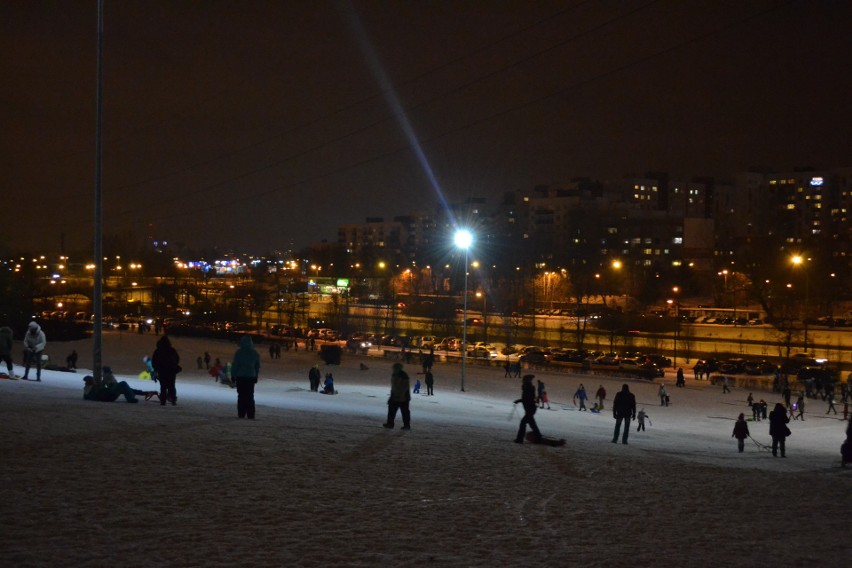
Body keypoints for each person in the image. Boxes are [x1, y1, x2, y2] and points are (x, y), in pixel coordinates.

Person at [231, 334, 260, 419]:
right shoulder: (254, 353)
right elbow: (257, 366)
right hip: (251, 376)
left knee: (241, 396)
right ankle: (251, 414)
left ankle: (241, 413)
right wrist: (256, 376)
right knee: (250, 396)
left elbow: (235, 365)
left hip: (240, 377)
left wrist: (233, 375)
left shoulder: (239, 352)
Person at [151, 335, 181, 406]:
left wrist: (156, 369)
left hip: (162, 370)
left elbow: (154, 361)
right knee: (172, 386)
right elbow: (177, 359)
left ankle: (163, 401)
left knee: (163, 386)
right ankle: (173, 400)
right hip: (171, 370)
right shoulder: (172, 350)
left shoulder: (158, 351)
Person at [514, 374, 542, 444]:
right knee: (532, 424)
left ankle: (519, 439)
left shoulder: (529, 388)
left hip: (530, 409)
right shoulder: (528, 387)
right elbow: (527, 399)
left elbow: (528, 399)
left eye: (524, 380)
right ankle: (538, 438)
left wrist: (519, 400)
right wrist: (520, 400)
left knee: (523, 423)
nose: (523, 382)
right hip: (529, 409)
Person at [384, 362, 411, 430]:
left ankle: (406, 425)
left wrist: (400, 395)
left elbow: (405, 387)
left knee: (404, 412)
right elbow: (394, 386)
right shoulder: (394, 375)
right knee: (391, 411)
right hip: (395, 396)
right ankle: (390, 423)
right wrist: (392, 394)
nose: (393, 369)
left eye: (395, 368)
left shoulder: (403, 376)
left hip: (403, 397)